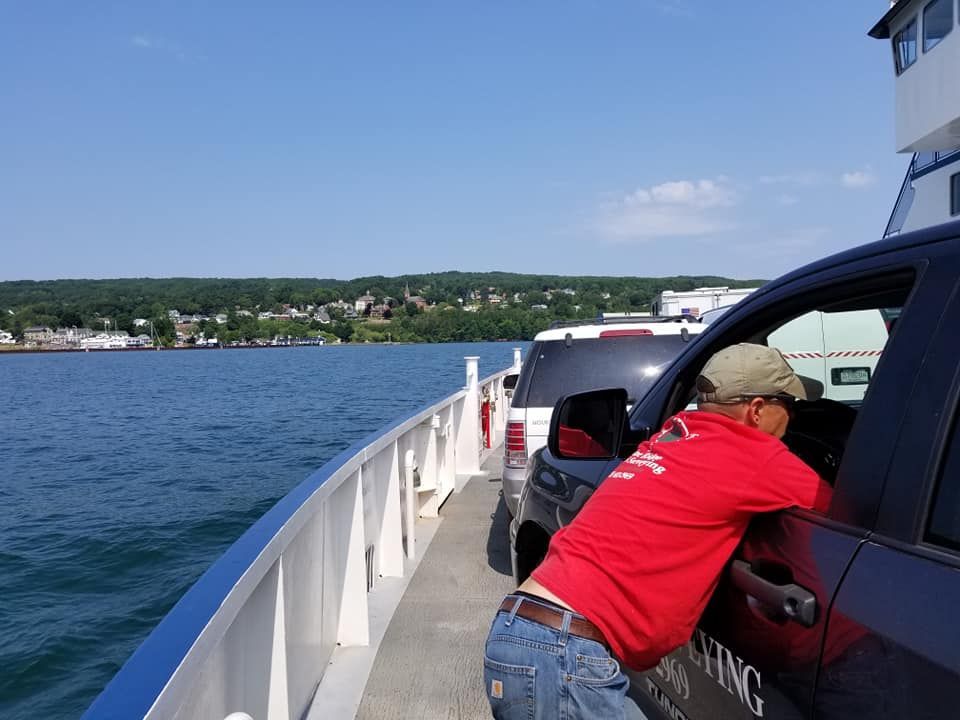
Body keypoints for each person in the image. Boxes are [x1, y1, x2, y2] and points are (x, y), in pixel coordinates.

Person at [483, 343, 832, 719]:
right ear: (759, 409)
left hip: (523, 630)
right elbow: (847, 516)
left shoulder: (672, 437)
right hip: (561, 654)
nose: (792, 418)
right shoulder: (754, 454)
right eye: (790, 405)